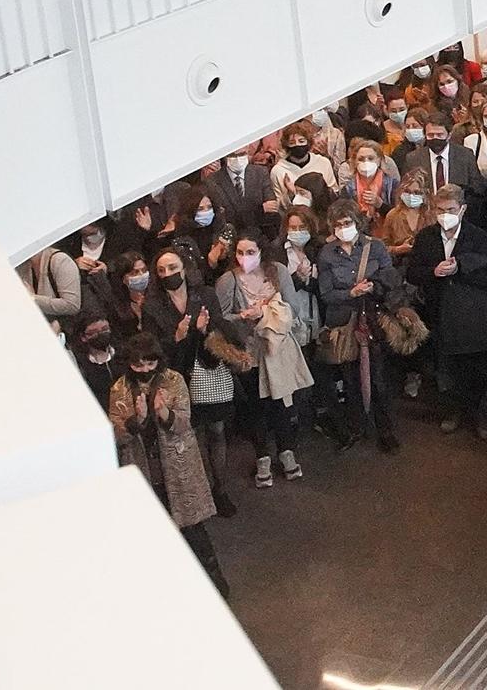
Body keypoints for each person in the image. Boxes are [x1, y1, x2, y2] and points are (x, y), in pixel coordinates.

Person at [108, 333, 229, 595]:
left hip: (177, 465)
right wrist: (136, 421)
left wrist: (163, 413)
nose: (144, 370)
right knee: (156, 535)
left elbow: (185, 422)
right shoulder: (119, 388)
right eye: (138, 365)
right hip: (144, 470)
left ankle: (214, 580)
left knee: (194, 529)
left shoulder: (174, 381)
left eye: (149, 364)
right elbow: (116, 435)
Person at [214, 233, 311, 488]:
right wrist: (244, 316)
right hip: (250, 351)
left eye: (250, 252)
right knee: (255, 407)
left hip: (277, 349)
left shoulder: (277, 271)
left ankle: (286, 451)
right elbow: (221, 319)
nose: (245, 258)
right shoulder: (228, 281)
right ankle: (262, 456)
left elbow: (294, 308)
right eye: (240, 252)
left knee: (283, 402)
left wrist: (267, 311)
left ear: (261, 251)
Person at [408, 184, 487, 434]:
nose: (445, 214)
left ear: (462, 210)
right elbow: (412, 272)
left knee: (477, 367)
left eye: (450, 209)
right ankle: (453, 411)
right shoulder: (426, 237)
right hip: (439, 312)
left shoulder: (478, 236)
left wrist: (461, 266)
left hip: (472, 312)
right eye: (440, 209)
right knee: (446, 369)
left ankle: (477, 414)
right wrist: (433, 272)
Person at [316, 200, 402, 454]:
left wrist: (374, 286)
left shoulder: (374, 247)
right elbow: (326, 293)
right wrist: (351, 293)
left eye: (348, 223)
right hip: (344, 323)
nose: (344, 228)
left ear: (357, 222)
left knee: (378, 378)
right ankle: (357, 427)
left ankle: (385, 430)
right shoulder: (327, 254)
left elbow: (391, 278)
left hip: (373, 319)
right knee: (350, 378)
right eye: (338, 224)